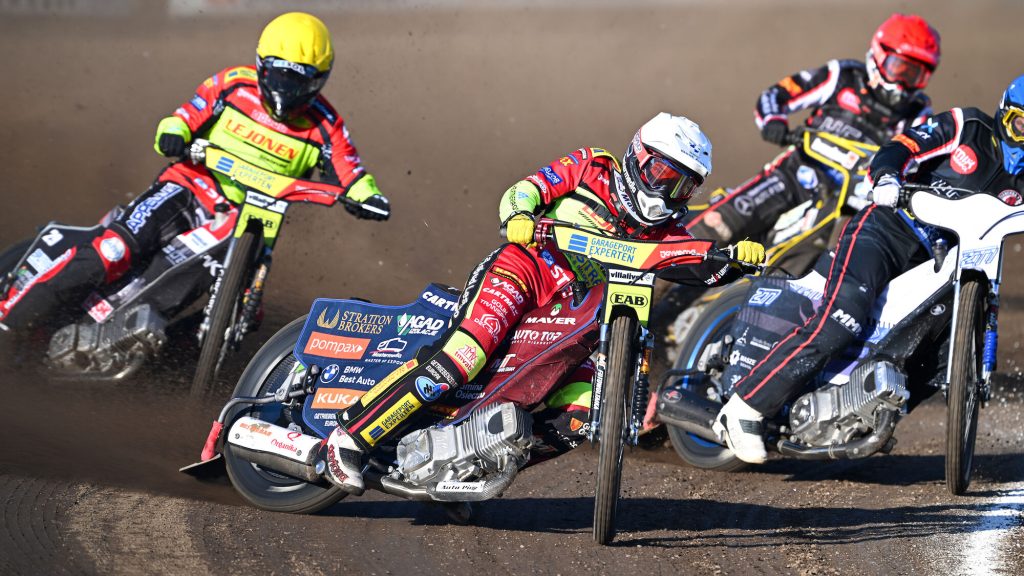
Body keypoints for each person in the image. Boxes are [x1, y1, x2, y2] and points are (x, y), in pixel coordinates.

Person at [321, 113, 767, 494]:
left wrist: (734, 261)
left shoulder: (669, 230)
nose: (669, 193)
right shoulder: (593, 166)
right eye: (663, 176)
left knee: (585, 410)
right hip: (523, 270)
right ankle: (350, 438)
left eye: (683, 186)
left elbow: (698, 264)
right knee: (463, 357)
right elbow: (527, 189)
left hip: (571, 312)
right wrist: (518, 215)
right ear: (638, 158)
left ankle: (473, 465)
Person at [0, 12, 389, 330]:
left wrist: (365, 196)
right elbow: (186, 115)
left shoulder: (326, 124)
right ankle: (11, 321)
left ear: (320, 79)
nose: (288, 90)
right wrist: (174, 132)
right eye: (281, 75)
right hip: (188, 186)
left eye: (301, 80)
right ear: (262, 66)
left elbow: (350, 170)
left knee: (246, 316)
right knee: (114, 249)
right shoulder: (232, 86)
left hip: (245, 221)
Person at [714, 74, 1024, 464]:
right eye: (1020, 124)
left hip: (940, 262)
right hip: (888, 229)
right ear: (1003, 114)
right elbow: (902, 146)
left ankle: (856, 409)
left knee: (934, 356)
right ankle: (745, 408)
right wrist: (887, 176)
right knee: (842, 319)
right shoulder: (968, 126)